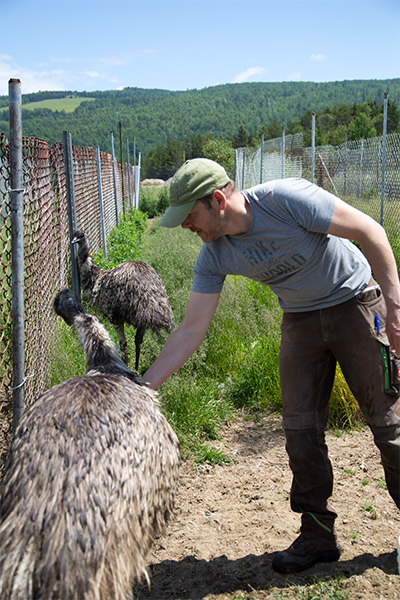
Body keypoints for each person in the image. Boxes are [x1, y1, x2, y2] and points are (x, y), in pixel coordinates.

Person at [143, 157, 400, 574]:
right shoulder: (214, 254)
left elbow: (371, 231)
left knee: (390, 426)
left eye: (190, 216)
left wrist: (394, 306)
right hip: (299, 319)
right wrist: (142, 387)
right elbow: (190, 330)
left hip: (355, 301)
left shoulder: (286, 200)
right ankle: (317, 536)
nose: (188, 228)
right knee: (300, 433)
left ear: (217, 200)